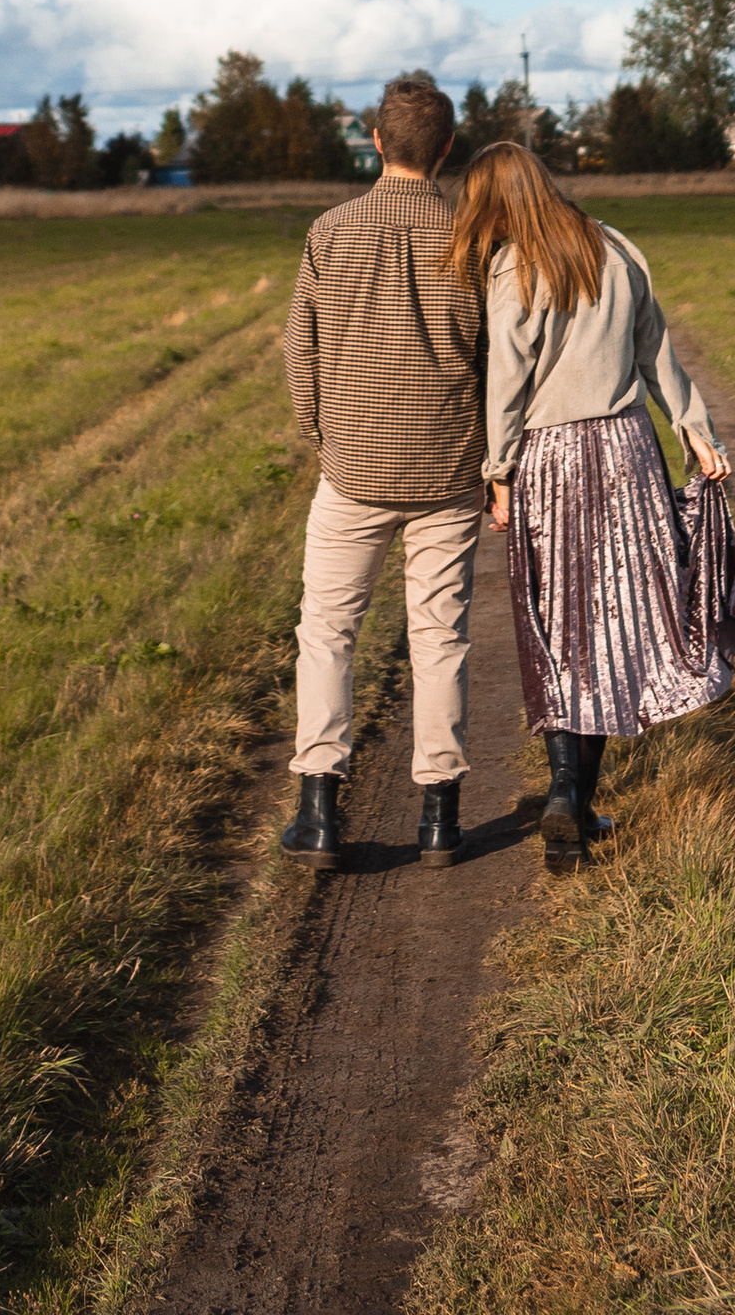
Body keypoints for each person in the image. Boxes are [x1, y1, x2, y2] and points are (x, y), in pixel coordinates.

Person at [444, 141, 735, 871]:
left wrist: (499, 473)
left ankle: (560, 792)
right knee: (609, 628)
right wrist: (696, 435)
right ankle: (577, 807)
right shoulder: (616, 248)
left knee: (556, 627)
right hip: (626, 452)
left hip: (549, 460)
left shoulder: (513, 267)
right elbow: (658, 352)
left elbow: (506, 384)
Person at [278, 70, 487, 874]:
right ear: (445, 149)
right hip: (447, 468)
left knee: (327, 631)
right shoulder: (472, 233)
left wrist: (323, 438)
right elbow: (494, 356)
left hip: (353, 470)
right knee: (441, 638)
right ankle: (441, 816)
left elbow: (304, 350)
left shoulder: (330, 231)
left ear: (376, 141)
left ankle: (320, 809)